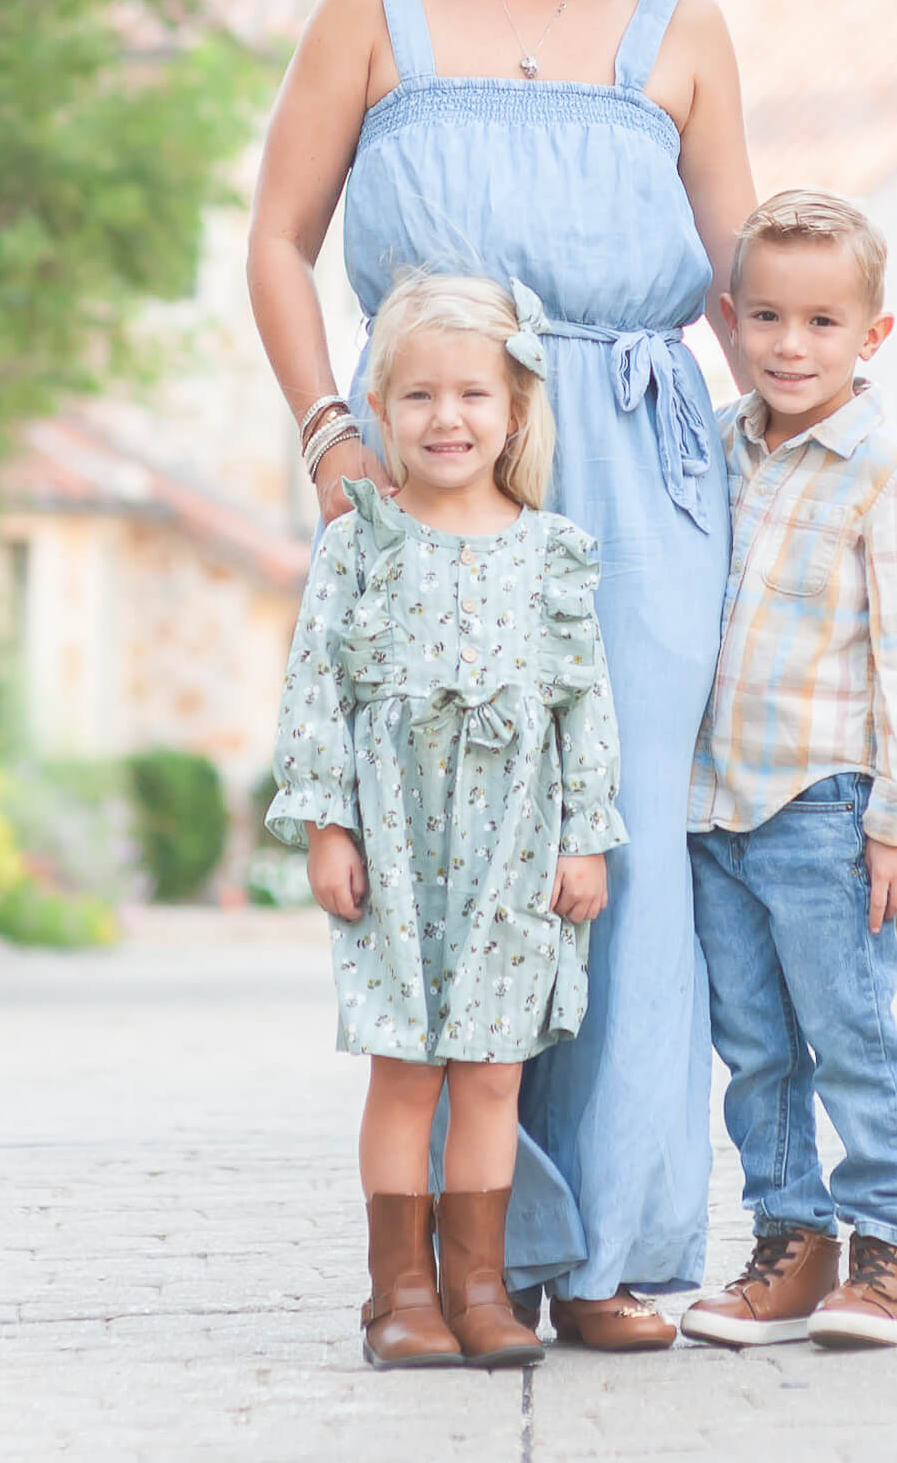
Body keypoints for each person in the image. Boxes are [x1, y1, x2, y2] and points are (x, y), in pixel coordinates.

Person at [247, 0, 755, 1348]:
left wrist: (840, 451)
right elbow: (278, 240)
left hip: (642, 462)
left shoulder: (679, 24)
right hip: (437, 476)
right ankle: (470, 1258)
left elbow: (747, 278)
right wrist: (330, 428)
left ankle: (610, 1254)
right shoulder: (370, 4)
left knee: (614, 858)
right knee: (446, 841)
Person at [267, 272, 626, 1370]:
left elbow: (583, 700)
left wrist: (584, 833)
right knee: (403, 1067)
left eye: (472, 393)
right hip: (395, 841)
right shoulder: (359, 540)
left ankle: (481, 1287)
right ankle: (400, 1292)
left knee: (491, 1071)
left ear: (514, 409)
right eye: (418, 395)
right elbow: (314, 685)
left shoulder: (550, 550)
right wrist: (328, 823)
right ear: (379, 410)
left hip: (515, 845)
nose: (446, 417)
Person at [679, 189, 897, 1352]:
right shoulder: (713, 447)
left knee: (850, 1031)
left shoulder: (884, 477)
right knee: (752, 1043)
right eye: (766, 318)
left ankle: (890, 1249)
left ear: (871, 335)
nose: (790, 346)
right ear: (728, 320)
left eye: (820, 322)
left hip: (824, 810)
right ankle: (789, 1242)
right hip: (714, 809)